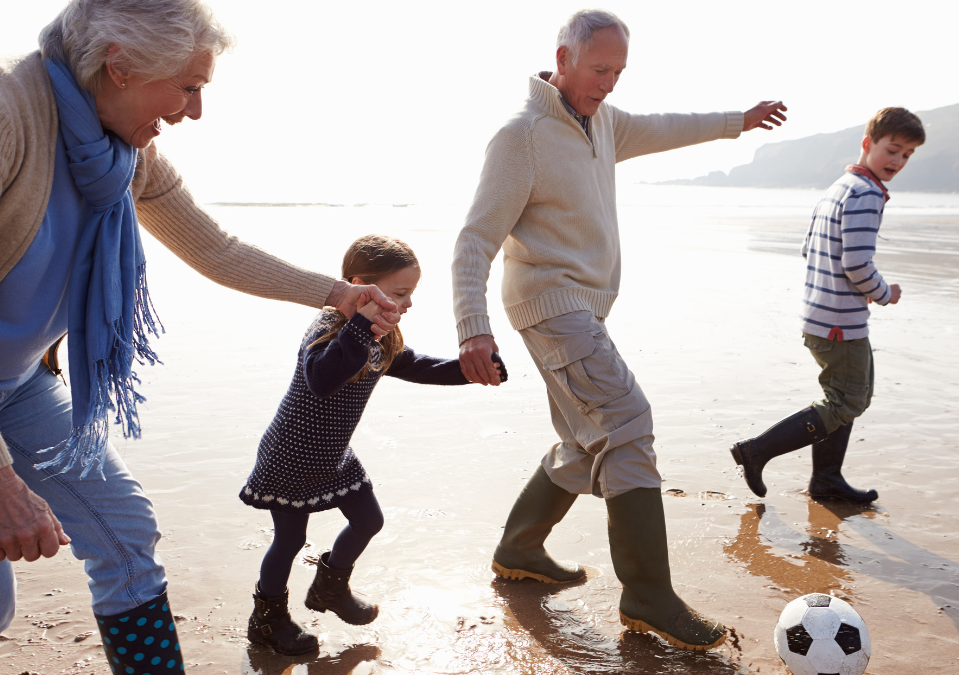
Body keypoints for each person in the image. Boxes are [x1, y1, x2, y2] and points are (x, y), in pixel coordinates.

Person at [0, 2, 399, 673]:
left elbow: (216, 249)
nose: (195, 111)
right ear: (121, 66)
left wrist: (340, 294)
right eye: (189, 86)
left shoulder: (120, 152)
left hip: (14, 385)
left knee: (126, 534)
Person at [451, 8, 787, 652]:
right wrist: (473, 329)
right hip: (551, 306)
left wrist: (735, 123)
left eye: (619, 71)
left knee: (587, 438)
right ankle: (648, 595)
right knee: (627, 421)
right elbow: (473, 240)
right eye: (600, 68)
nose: (609, 82)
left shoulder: (603, 122)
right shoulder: (521, 137)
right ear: (564, 57)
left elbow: (664, 127)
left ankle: (520, 548)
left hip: (581, 309)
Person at [239, 234, 506, 655]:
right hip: (291, 455)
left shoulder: (383, 336)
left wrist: (468, 370)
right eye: (400, 293)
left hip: (334, 455)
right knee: (289, 542)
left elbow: (414, 365)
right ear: (361, 285)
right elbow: (322, 379)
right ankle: (268, 620)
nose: (408, 303)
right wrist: (361, 324)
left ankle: (330, 588)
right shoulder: (328, 324)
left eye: (411, 294)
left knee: (369, 521)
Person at [729, 108, 925, 504]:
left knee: (850, 394)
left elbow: (810, 248)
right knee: (847, 399)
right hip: (840, 322)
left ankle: (827, 479)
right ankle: (757, 451)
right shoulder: (867, 194)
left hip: (819, 314)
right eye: (892, 150)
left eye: (907, 154)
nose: (898, 161)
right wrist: (884, 291)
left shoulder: (840, 186)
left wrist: (850, 284)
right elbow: (856, 263)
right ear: (868, 144)